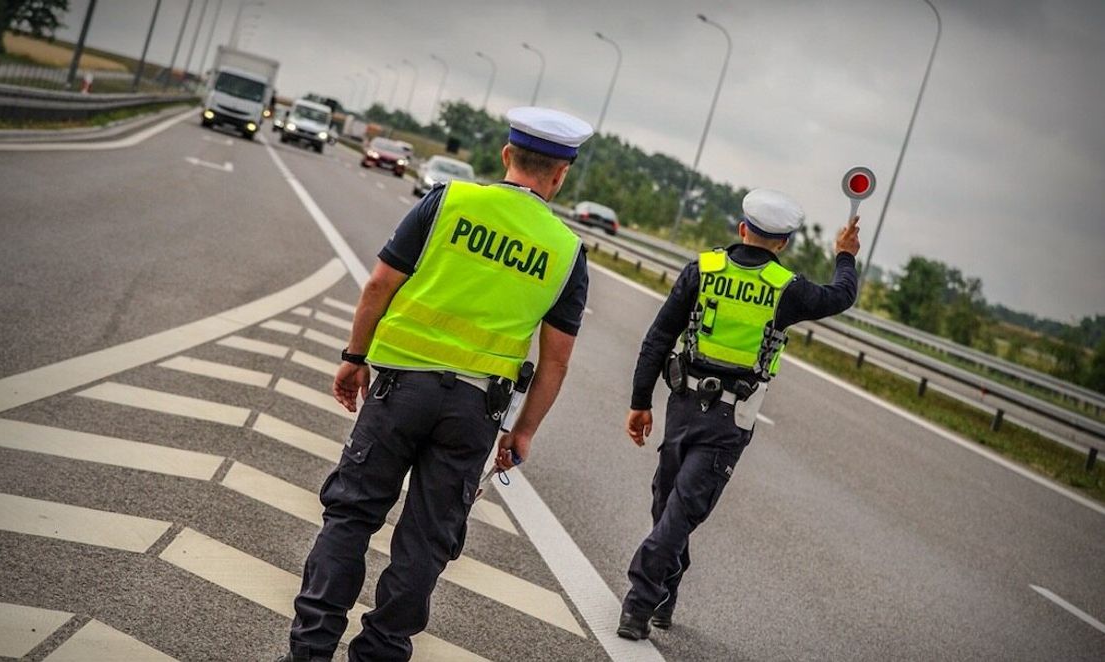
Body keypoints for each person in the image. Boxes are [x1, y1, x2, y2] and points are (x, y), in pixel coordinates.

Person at [277, 106, 593, 662]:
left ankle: (310, 650)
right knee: (425, 541)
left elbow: (379, 284)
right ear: (561, 174)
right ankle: (379, 653)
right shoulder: (567, 252)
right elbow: (556, 363)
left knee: (350, 516)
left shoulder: (448, 201)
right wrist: (522, 432)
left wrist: (354, 357)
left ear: (506, 156)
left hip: (398, 390)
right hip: (474, 412)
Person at [616, 188, 861, 640]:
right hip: (712, 413)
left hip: (702, 411)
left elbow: (657, 338)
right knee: (668, 506)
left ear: (742, 228)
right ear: (783, 243)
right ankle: (665, 593)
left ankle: (638, 605)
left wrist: (640, 400)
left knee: (679, 510)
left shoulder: (703, 271)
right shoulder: (787, 291)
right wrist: (845, 255)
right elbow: (841, 295)